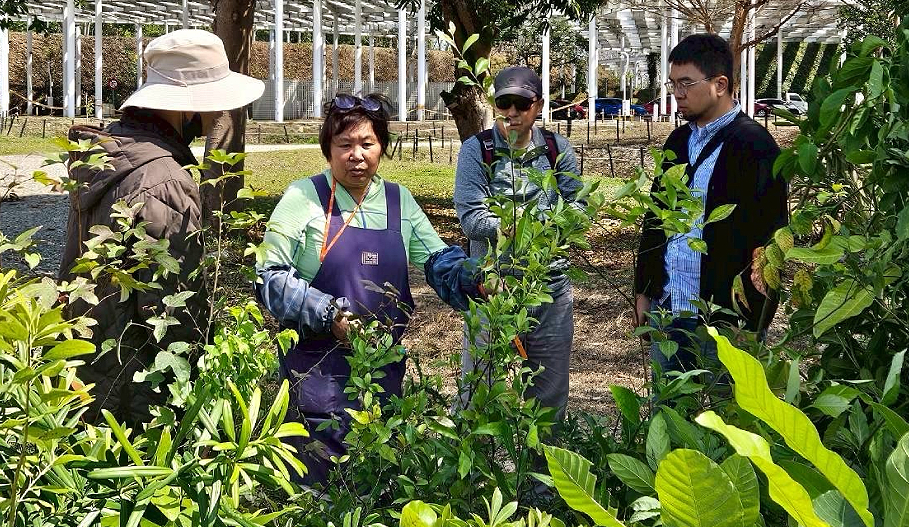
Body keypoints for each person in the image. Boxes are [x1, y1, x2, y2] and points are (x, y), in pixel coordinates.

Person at [254, 93, 482, 485]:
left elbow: (438, 260)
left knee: (377, 473)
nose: (356, 155)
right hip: (316, 369)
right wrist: (330, 314)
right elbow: (269, 278)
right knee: (320, 484)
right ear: (328, 149)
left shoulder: (399, 201)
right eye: (344, 145)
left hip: (382, 367)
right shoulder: (302, 197)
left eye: (367, 144)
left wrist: (476, 280)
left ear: (382, 147)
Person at [60, 29, 265, 427]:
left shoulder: (112, 153)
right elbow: (171, 302)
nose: (219, 115)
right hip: (134, 381)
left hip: (87, 356)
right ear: (188, 106)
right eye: (214, 103)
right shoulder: (164, 179)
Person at [634, 33, 788, 376]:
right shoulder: (678, 140)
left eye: (686, 83)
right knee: (670, 416)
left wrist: (752, 317)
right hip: (669, 307)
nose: (678, 94)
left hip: (724, 318)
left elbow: (771, 240)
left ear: (720, 84)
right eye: (673, 84)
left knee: (725, 416)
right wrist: (645, 289)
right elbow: (657, 218)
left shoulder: (755, 146)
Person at [453, 66, 583, 421]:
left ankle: (541, 476)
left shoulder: (557, 149)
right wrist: (524, 226)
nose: (512, 112)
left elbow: (579, 207)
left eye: (521, 104)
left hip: (549, 289)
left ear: (538, 105)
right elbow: (471, 217)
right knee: (478, 395)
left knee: (548, 400)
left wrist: (540, 228)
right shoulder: (476, 151)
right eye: (503, 103)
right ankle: (477, 476)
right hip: (492, 290)